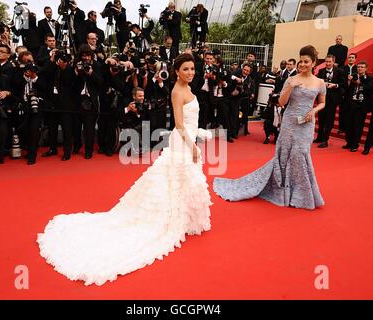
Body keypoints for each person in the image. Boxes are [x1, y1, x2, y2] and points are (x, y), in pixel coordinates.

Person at [37, 53, 212, 286]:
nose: (191, 73)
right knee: (176, 178)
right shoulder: (177, 92)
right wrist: (192, 145)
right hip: (182, 141)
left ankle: (185, 218)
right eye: (186, 69)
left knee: (184, 179)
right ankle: (171, 219)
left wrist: (197, 135)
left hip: (188, 138)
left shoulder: (189, 89)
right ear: (176, 71)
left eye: (192, 69)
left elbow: (190, 122)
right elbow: (179, 124)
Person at [214, 45, 327, 210]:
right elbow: (281, 102)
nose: (302, 64)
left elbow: (322, 102)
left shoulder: (320, 82)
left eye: (306, 61)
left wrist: (314, 111)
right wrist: (291, 86)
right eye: (301, 61)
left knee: (300, 154)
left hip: (307, 124)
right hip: (290, 122)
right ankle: (284, 191)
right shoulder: (291, 79)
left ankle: (300, 193)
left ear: (314, 63)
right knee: (285, 154)